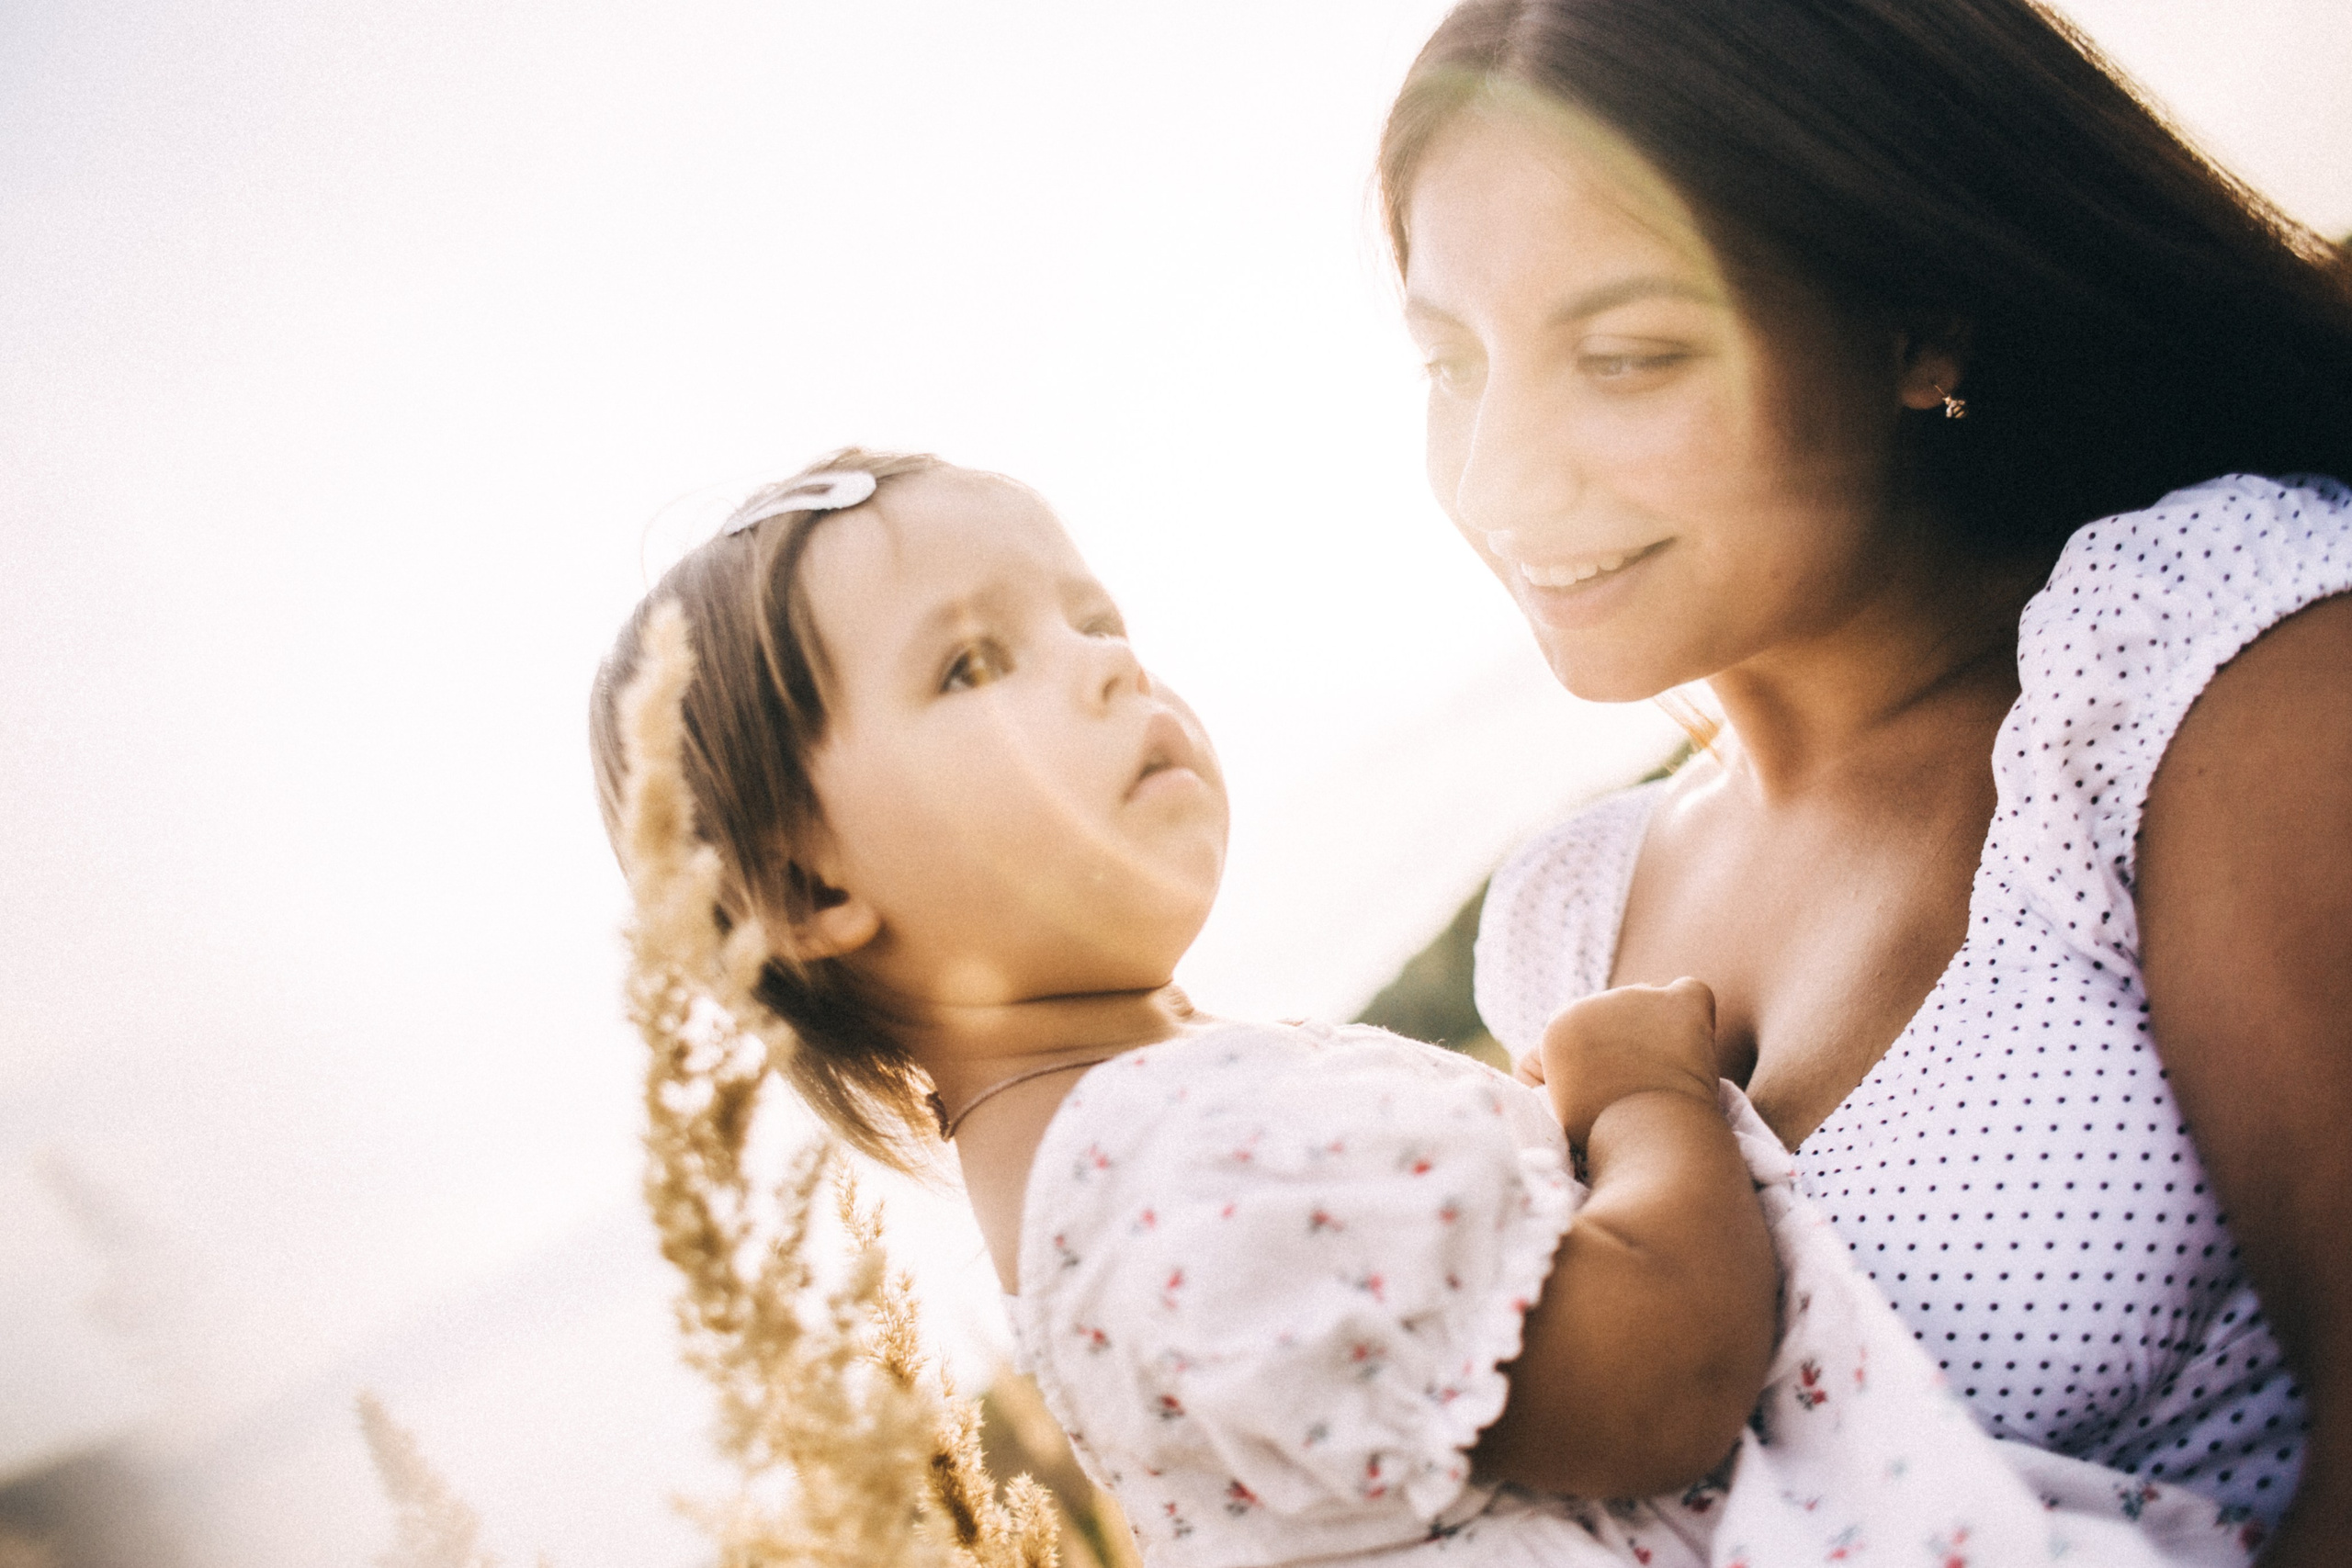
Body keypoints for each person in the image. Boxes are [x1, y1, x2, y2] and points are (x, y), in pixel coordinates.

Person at [591, 450, 2257, 1566]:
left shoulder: (1148, 1158)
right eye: (970, 665)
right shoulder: (1181, 1172)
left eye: (1094, 616)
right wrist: (1637, 1092)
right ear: (809, 893)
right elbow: (1665, 1367)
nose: (1104, 664)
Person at [1374, 2, 2352, 1562]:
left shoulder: (2203, 672)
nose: (1497, 476)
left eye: (1624, 355)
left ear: (1920, 324)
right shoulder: (1570, 925)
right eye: (1450, 363)